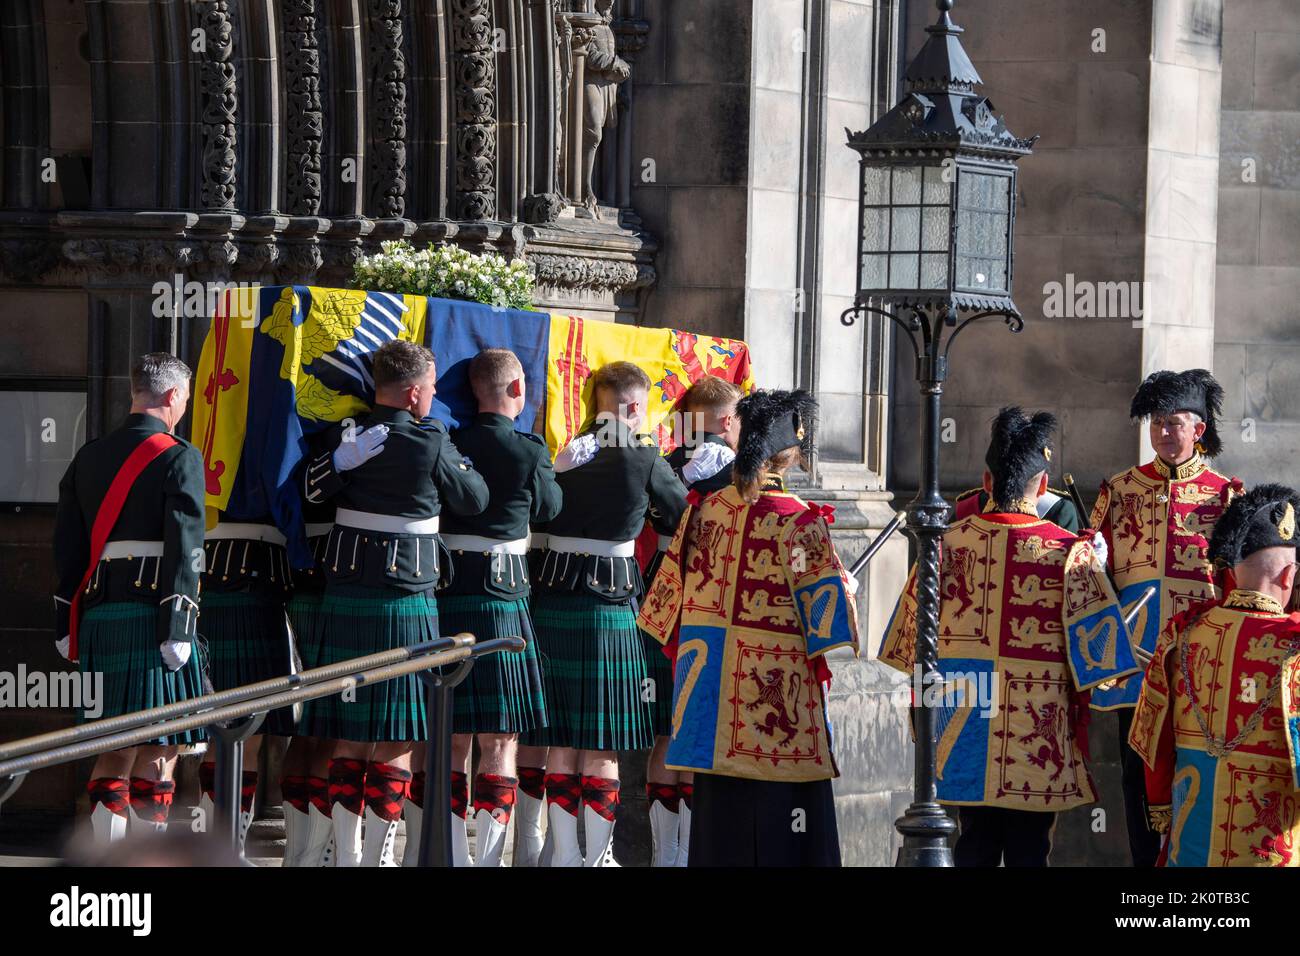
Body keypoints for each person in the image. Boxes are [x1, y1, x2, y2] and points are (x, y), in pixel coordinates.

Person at [880, 407, 1140, 866]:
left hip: (962, 720)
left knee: (973, 841)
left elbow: (909, 645)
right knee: (1028, 848)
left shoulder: (945, 543)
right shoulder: (1068, 552)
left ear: (985, 480)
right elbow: (1105, 666)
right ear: (1041, 487)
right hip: (1036, 728)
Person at [638, 388, 858, 866]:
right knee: (785, 832)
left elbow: (663, 604)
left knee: (721, 833)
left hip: (710, 704)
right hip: (777, 711)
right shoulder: (800, 521)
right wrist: (843, 584)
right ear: (791, 454)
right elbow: (829, 625)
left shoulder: (705, 509)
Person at [296, 340, 489, 866]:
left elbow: (309, 494)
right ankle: (378, 859)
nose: (432, 397)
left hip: (348, 591)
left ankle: (348, 857)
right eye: (428, 389)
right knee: (397, 734)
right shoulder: (431, 440)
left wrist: (339, 462)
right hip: (407, 593)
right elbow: (475, 499)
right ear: (412, 394)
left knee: (351, 731)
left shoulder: (346, 436)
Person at [529, 361, 687, 866]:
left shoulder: (564, 450)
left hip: (552, 597)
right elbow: (682, 513)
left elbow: (540, 509)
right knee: (602, 742)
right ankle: (595, 859)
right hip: (607, 603)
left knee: (561, 740)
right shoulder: (643, 454)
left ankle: (563, 857)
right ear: (636, 407)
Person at [53, 352, 208, 845]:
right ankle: (141, 863)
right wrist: (180, 625)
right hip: (154, 616)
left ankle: (106, 859)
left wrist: (66, 623)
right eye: (184, 398)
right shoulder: (180, 455)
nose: (183, 406)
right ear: (170, 396)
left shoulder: (89, 455)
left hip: (101, 616)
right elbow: (186, 547)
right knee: (160, 747)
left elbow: (68, 547)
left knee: (112, 745)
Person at [1091, 369, 1244, 866]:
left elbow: (1236, 585)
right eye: (1156, 423)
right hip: (1133, 667)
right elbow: (1091, 580)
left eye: (1173, 423)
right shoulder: (1118, 489)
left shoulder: (1226, 497)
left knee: (1193, 769)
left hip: (1196, 664)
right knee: (1134, 776)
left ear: (1197, 430)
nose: (1162, 432)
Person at [433, 348, 562, 867]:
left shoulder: (449, 442)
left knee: (452, 734)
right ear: (516, 390)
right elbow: (551, 510)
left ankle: (451, 858)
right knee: (502, 737)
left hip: (446, 596)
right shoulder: (530, 450)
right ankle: (486, 862)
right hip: (504, 599)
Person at [1129, 484, 1300, 866]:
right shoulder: (1295, 644)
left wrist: (1160, 809)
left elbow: (1152, 743)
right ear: (1289, 576)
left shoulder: (1181, 633)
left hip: (1189, 846)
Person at [643, 376, 741, 866]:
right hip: (708, 602)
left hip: (659, 596)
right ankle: (687, 854)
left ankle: (668, 855)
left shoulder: (663, 459)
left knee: (666, 726)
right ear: (727, 420)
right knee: (694, 726)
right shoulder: (733, 467)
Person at [195, 510, 296, 855]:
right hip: (256, 572)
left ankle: (219, 850)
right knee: (248, 733)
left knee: (220, 733)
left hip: (207, 570)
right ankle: (224, 853)